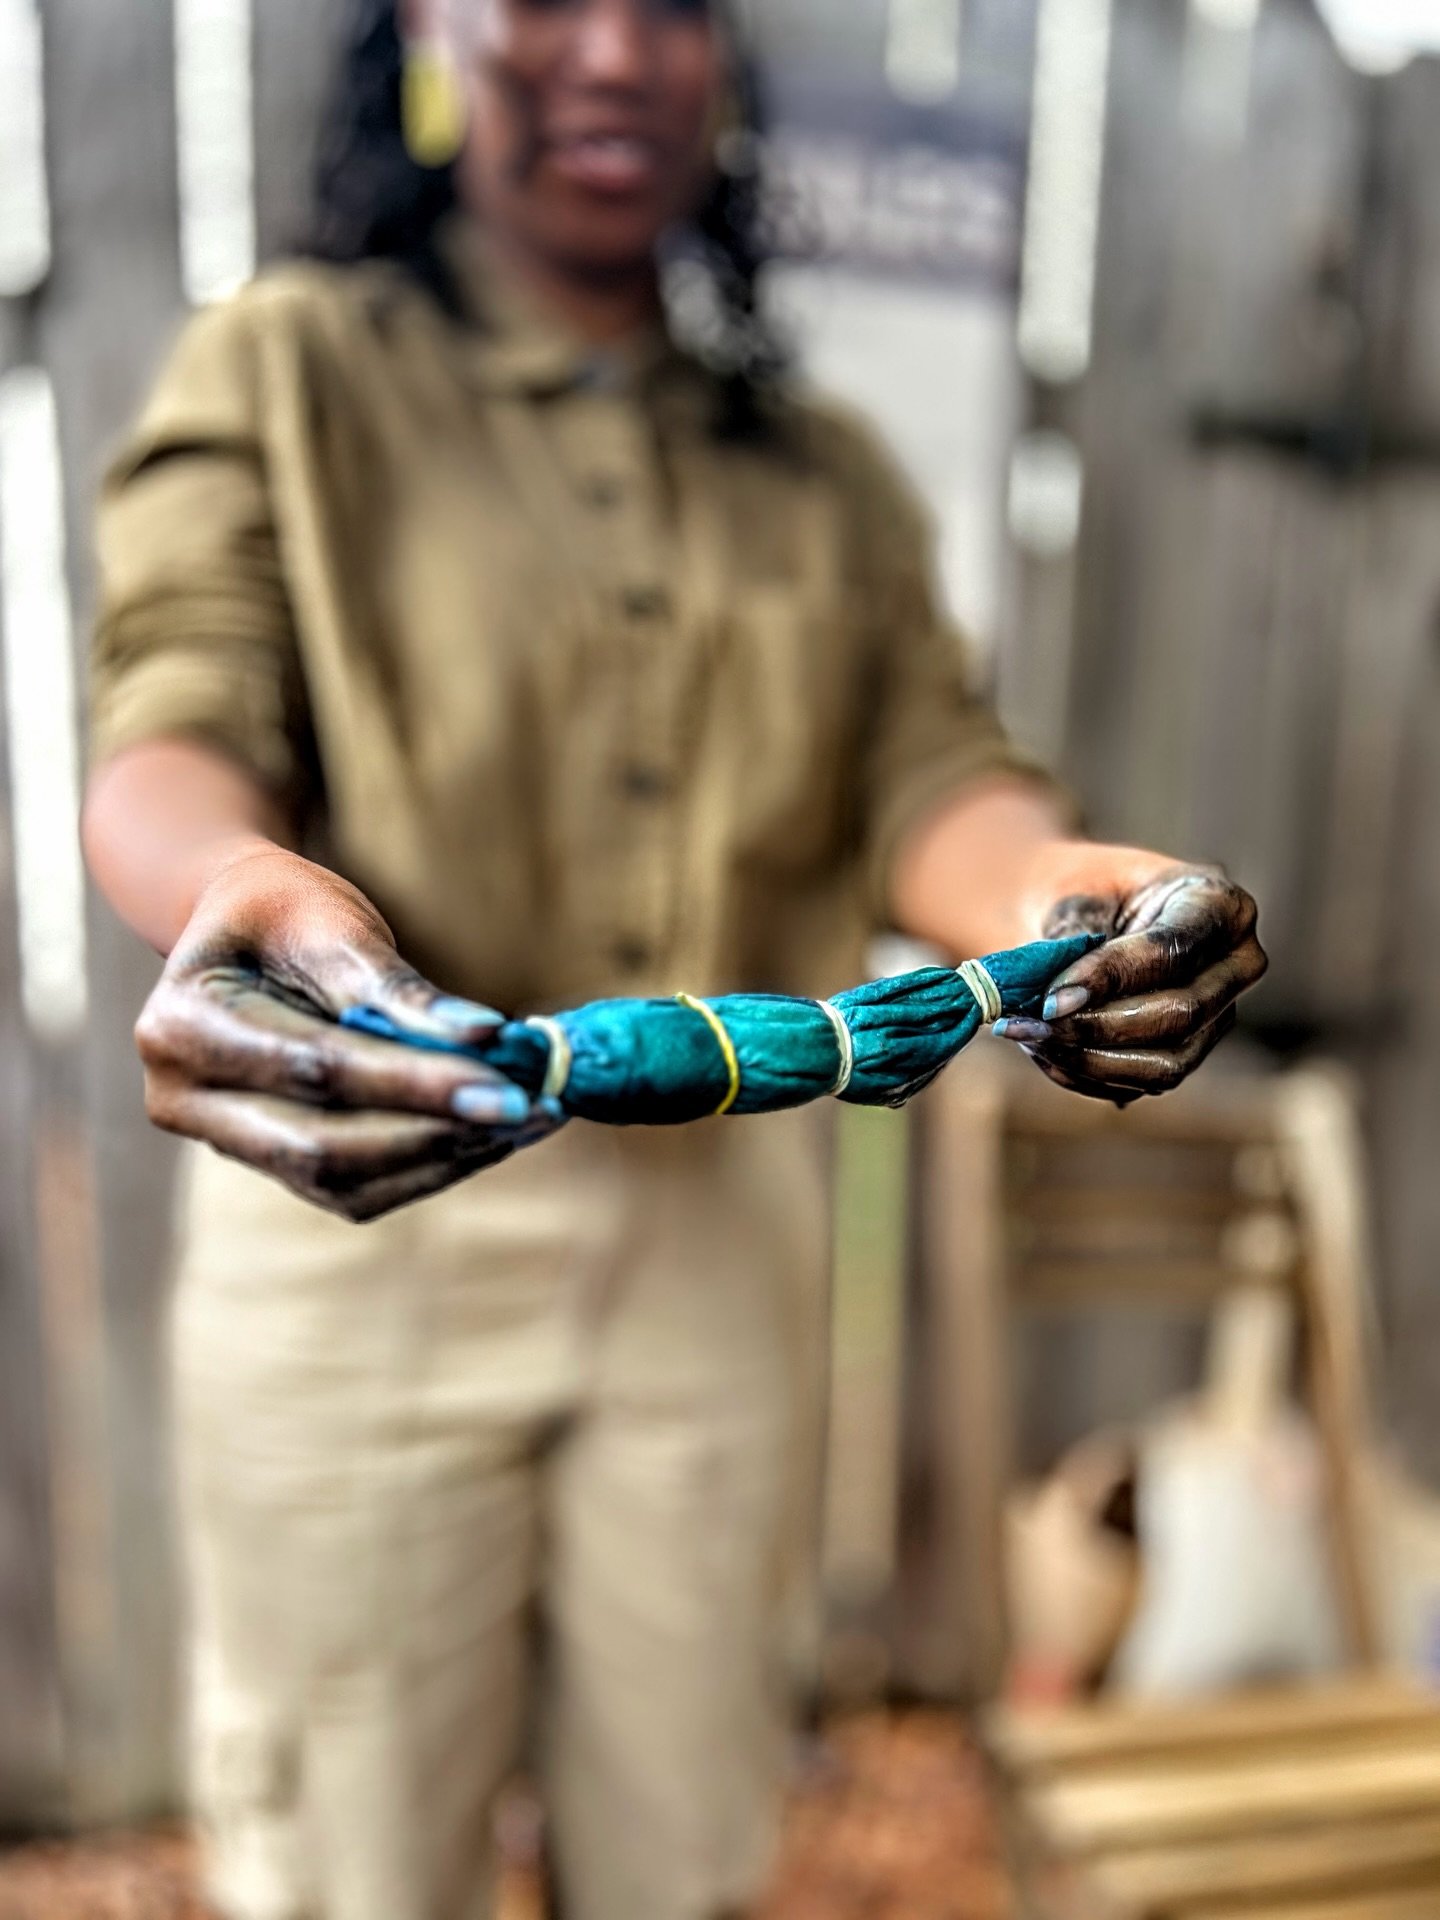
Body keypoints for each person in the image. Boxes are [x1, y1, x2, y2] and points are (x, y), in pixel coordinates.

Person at [82, 1, 1267, 1915]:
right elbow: (173, 716)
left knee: (691, 1850)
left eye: (671, 8)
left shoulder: (825, 481)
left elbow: (935, 791)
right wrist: (230, 881)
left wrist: (1066, 889)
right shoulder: (289, 375)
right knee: (347, 1867)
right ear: (436, 30)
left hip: (719, 1256)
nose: (617, 51)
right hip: (367, 1242)